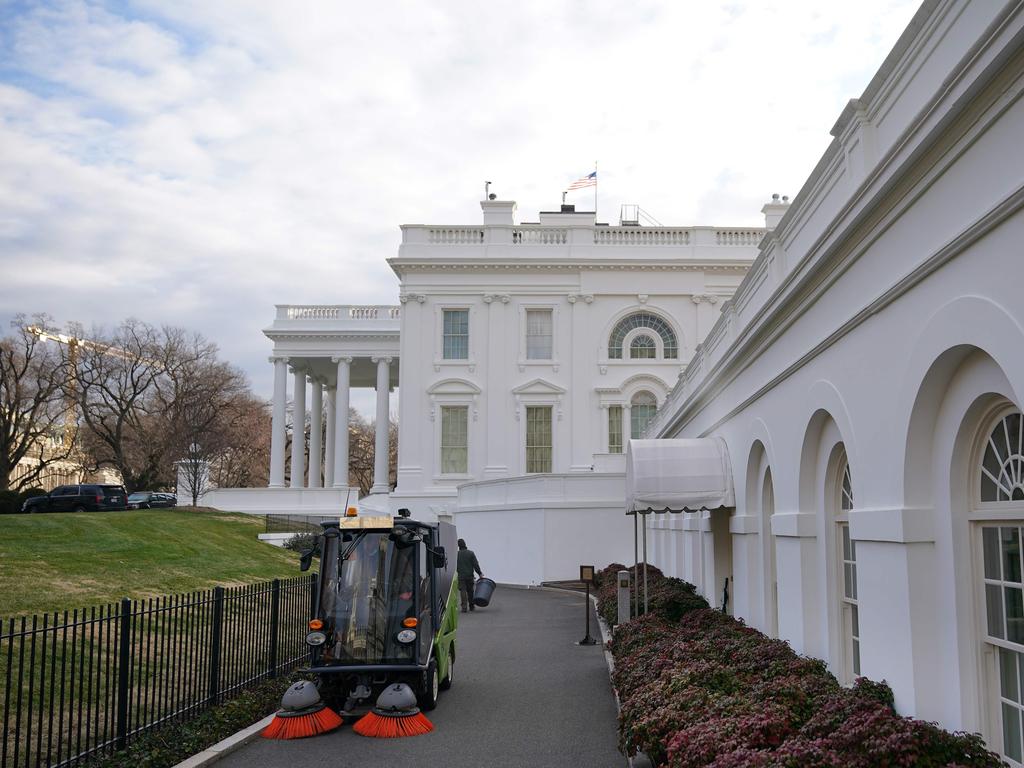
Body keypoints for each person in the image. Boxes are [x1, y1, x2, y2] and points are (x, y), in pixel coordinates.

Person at [456, 538, 483, 613]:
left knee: (463, 591)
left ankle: (464, 607)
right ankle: (471, 606)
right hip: (470, 575)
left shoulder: (457, 554)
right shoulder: (471, 553)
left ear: (459, 546)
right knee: (470, 591)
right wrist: (480, 573)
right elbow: (475, 565)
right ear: (465, 544)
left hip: (461, 576)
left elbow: (454, 566)